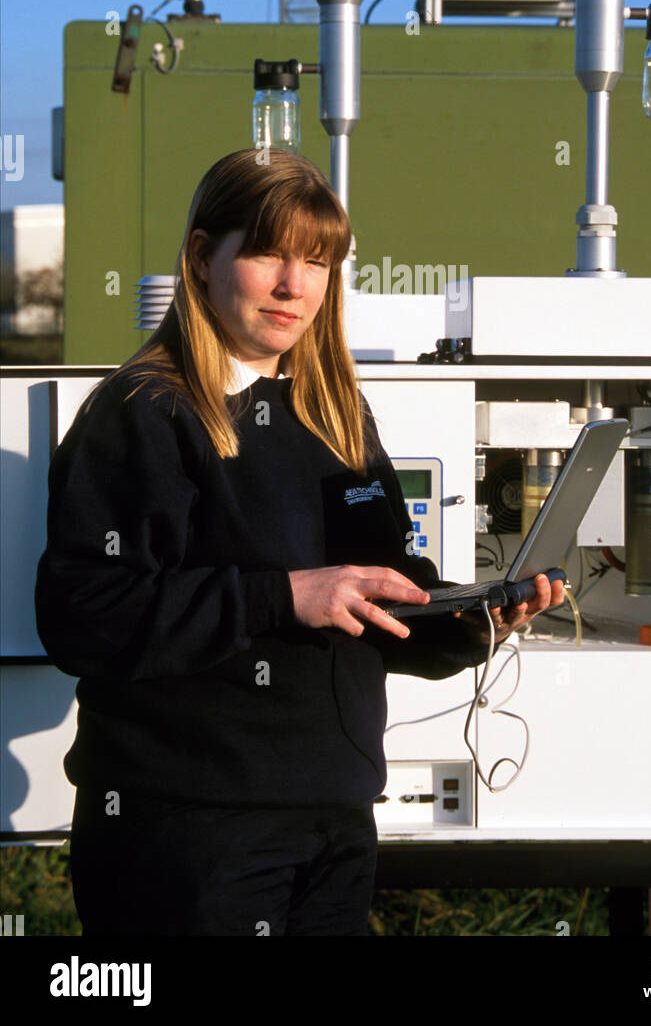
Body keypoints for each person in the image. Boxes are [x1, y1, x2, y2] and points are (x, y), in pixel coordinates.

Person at [35, 148, 560, 937]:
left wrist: (474, 621)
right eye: (267, 254)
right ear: (202, 257)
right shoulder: (144, 413)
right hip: (187, 835)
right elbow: (82, 613)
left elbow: (378, 593)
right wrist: (285, 595)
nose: (294, 285)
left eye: (317, 262)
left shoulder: (338, 413)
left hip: (334, 821)